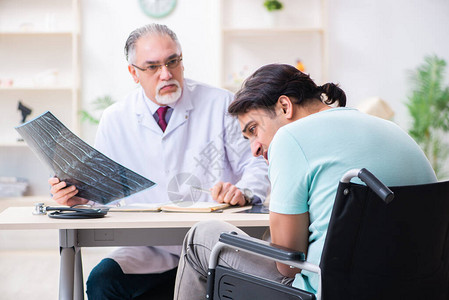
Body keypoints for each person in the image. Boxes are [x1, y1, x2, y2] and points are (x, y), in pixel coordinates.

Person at [173, 63, 437, 299]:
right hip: (414, 289)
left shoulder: (290, 138)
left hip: (327, 291)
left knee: (201, 236)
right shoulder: (393, 131)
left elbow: (287, 264)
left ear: (285, 106)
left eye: (253, 129)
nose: (254, 148)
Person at [48, 24, 269, 299]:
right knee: (103, 282)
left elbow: (257, 163)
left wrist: (244, 192)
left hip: (212, 244)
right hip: (147, 247)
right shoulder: (115, 119)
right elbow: (106, 194)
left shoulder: (221, 104)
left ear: (181, 60)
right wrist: (80, 199)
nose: (166, 74)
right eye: (152, 67)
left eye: (172, 62)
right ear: (133, 73)